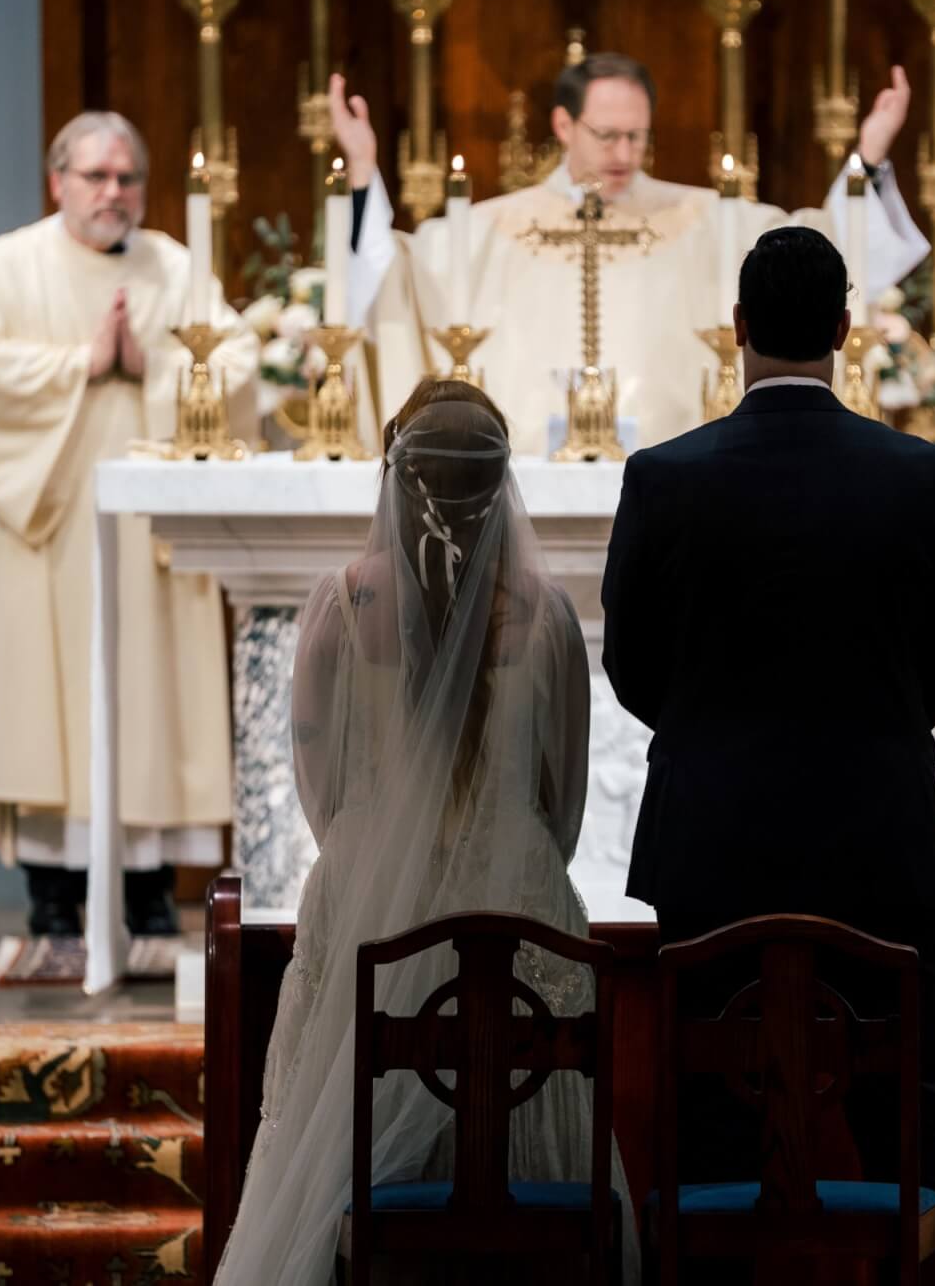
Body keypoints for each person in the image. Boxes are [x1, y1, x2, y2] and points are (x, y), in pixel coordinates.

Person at [601, 227, 935, 1280]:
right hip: (880, 847)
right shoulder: (920, 475)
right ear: (845, 330)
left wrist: (712, 740)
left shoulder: (665, 477)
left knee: (708, 1117)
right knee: (914, 1119)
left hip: (712, 848)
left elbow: (631, 666)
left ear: (737, 328)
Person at [215, 381, 630, 1284]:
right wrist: (506, 849)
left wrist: (380, 852)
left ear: (395, 477)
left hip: (369, 894)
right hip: (517, 891)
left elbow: (318, 786)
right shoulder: (550, 616)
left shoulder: (340, 606)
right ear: (499, 486)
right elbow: (563, 799)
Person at [0, 111, 256, 937]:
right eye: (95, 177)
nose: (113, 192)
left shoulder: (174, 268)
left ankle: (150, 891)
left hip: (148, 530)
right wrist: (80, 363)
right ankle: (53, 894)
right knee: (46, 704)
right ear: (58, 182)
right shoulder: (5, 266)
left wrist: (151, 366)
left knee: (149, 697)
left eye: (127, 178)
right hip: (45, 521)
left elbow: (240, 361)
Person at [327, 53, 929, 455]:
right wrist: (360, 175)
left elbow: (819, 247)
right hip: (528, 472)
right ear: (564, 125)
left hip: (678, 469)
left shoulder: (702, 218)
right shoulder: (486, 228)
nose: (624, 153)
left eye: (637, 136)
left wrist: (868, 159)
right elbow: (390, 274)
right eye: (607, 135)